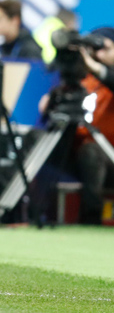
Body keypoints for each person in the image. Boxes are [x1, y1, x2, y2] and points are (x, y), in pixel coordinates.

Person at [74, 27, 114, 224]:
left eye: (106, 48)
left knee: (91, 151)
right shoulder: (84, 78)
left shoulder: (106, 77)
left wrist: (99, 69)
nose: (99, 54)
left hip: (108, 154)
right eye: (95, 48)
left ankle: (91, 219)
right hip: (76, 148)